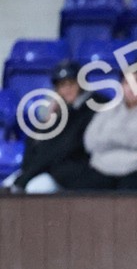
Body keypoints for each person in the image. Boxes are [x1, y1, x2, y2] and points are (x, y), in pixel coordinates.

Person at [3, 59, 96, 194]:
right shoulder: (57, 115)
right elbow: (33, 147)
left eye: (71, 84)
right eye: (62, 85)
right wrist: (46, 121)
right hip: (43, 169)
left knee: (33, 189)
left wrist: (25, 178)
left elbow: (63, 150)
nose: (67, 90)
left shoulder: (89, 111)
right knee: (5, 188)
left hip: (69, 174)